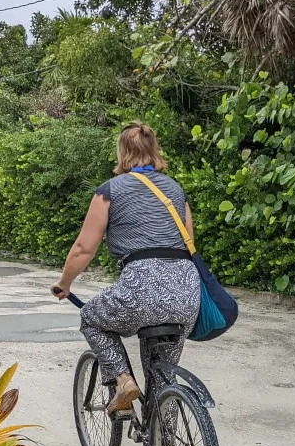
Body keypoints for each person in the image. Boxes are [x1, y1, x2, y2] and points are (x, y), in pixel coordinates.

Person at [52, 121, 200, 414]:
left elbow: (84, 248)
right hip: (186, 292)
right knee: (163, 376)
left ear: (122, 152)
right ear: (154, 150)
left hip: (141, 289)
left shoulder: (110, 190)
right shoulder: (175, 190)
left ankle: (123, 381)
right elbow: (189, 243)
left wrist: (65, 283)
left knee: (92, 319)